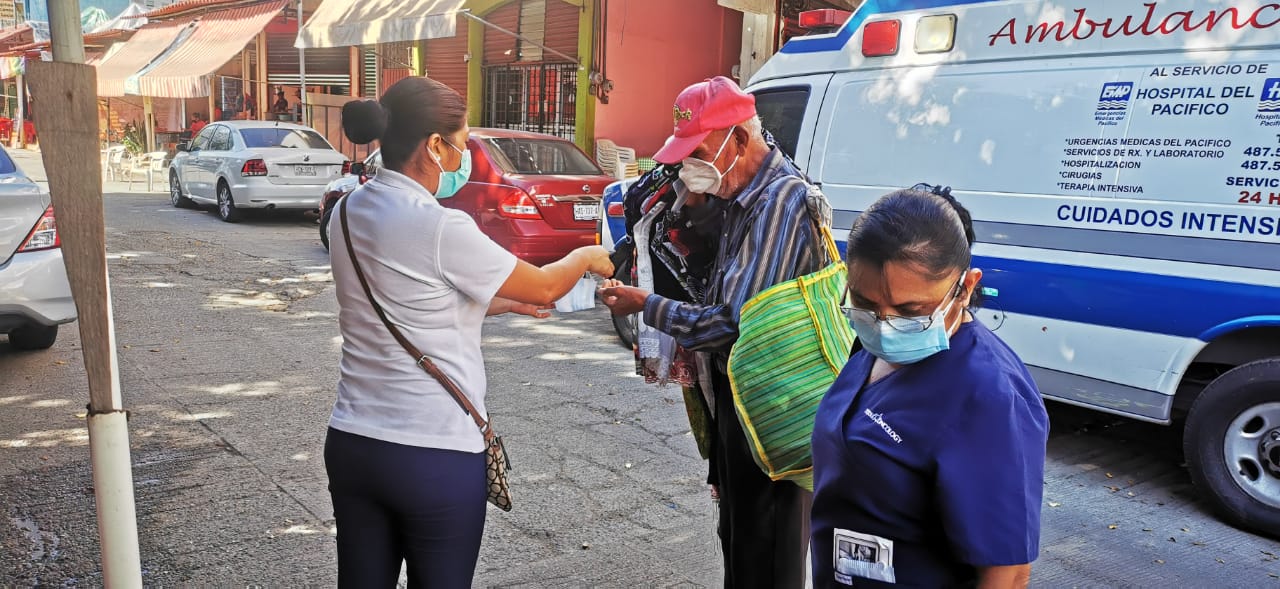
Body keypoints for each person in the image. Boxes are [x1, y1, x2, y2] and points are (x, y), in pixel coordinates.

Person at [325, 76, 614, 587]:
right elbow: (546, 286)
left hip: (353, 442)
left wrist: (496, 304)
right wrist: (587, 256)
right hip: (433, 453)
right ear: (433, 145)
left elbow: (410, 299)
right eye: (460, 147)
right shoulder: (440, 227)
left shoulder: (347, 212)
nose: (463, 162)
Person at [600, 76, 832, 588]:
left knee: (766, 549)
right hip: (740, 396)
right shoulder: (739, 198)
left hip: (772, 403)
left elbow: (734, 323)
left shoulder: (780, 201)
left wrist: (649, 305)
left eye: (697, 153)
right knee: (740, 535)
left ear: (741, 141)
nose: (688, 168)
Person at [809, 185, 1049, 588]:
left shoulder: (988, 395)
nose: (884, 325)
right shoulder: (871, 348)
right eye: (865, 304)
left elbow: (1006, 572)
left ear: (966, 288)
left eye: (910, 311)